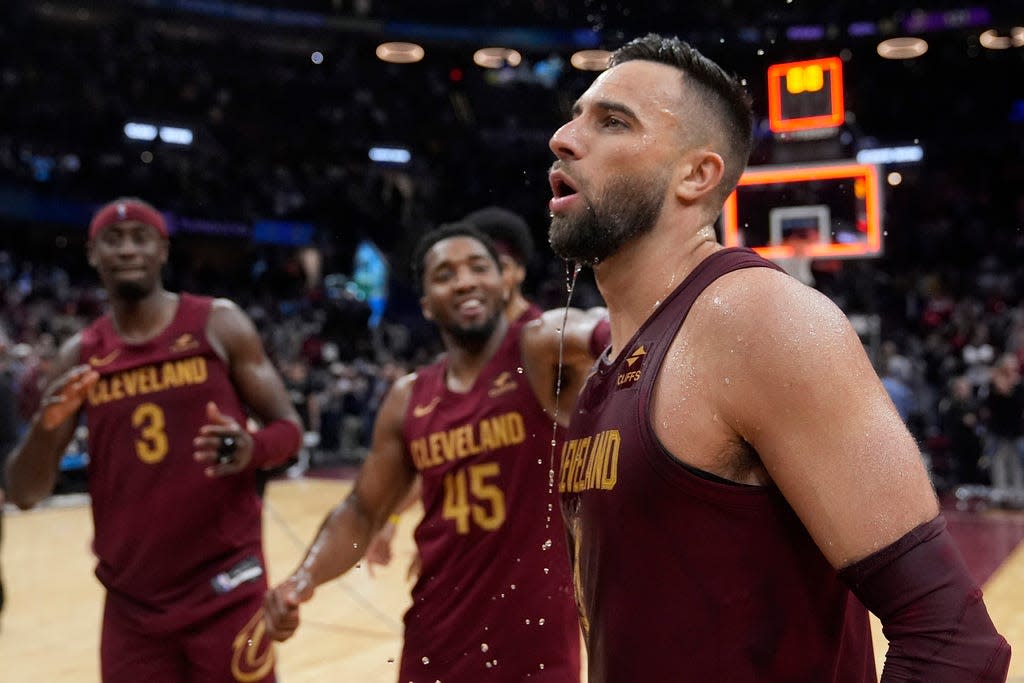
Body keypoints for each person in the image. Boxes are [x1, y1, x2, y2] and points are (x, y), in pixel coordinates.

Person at [546, 34, 1009, 682]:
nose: (564, 139)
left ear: (697, 174)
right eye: (575, 115)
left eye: (613, 121)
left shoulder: (758, 321)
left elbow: (955, 643)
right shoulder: (613, 354)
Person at [263, 223, 607, 681]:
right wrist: (303, 578)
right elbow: (363, 511)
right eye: (445, 274)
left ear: (503, 280)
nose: (464, 280)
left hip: (532, 647)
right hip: (434, 638)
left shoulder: (539, 347)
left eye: (478, 268)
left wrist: (616, 330)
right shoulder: (409, 397)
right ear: (425, 303)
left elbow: (597, 327)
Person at [4, 198, 303, 682]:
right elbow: (23, 493)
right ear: (92, 254)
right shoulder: (80, 355)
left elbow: (289, 431)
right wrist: (45, 425)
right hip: (133, 605)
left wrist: (253, 450)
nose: (127, 250)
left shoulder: (218, 324)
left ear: (162, 250)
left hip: (225, 588)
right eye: (113, 241)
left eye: (140, 238)